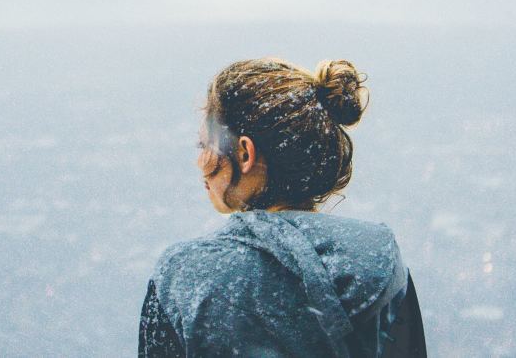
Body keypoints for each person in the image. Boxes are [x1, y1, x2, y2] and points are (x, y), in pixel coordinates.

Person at [138, 58, 427, 357]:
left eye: (204, 146)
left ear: (245, 153)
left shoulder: (185, 278)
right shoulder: (379, 261)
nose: (200, 162)